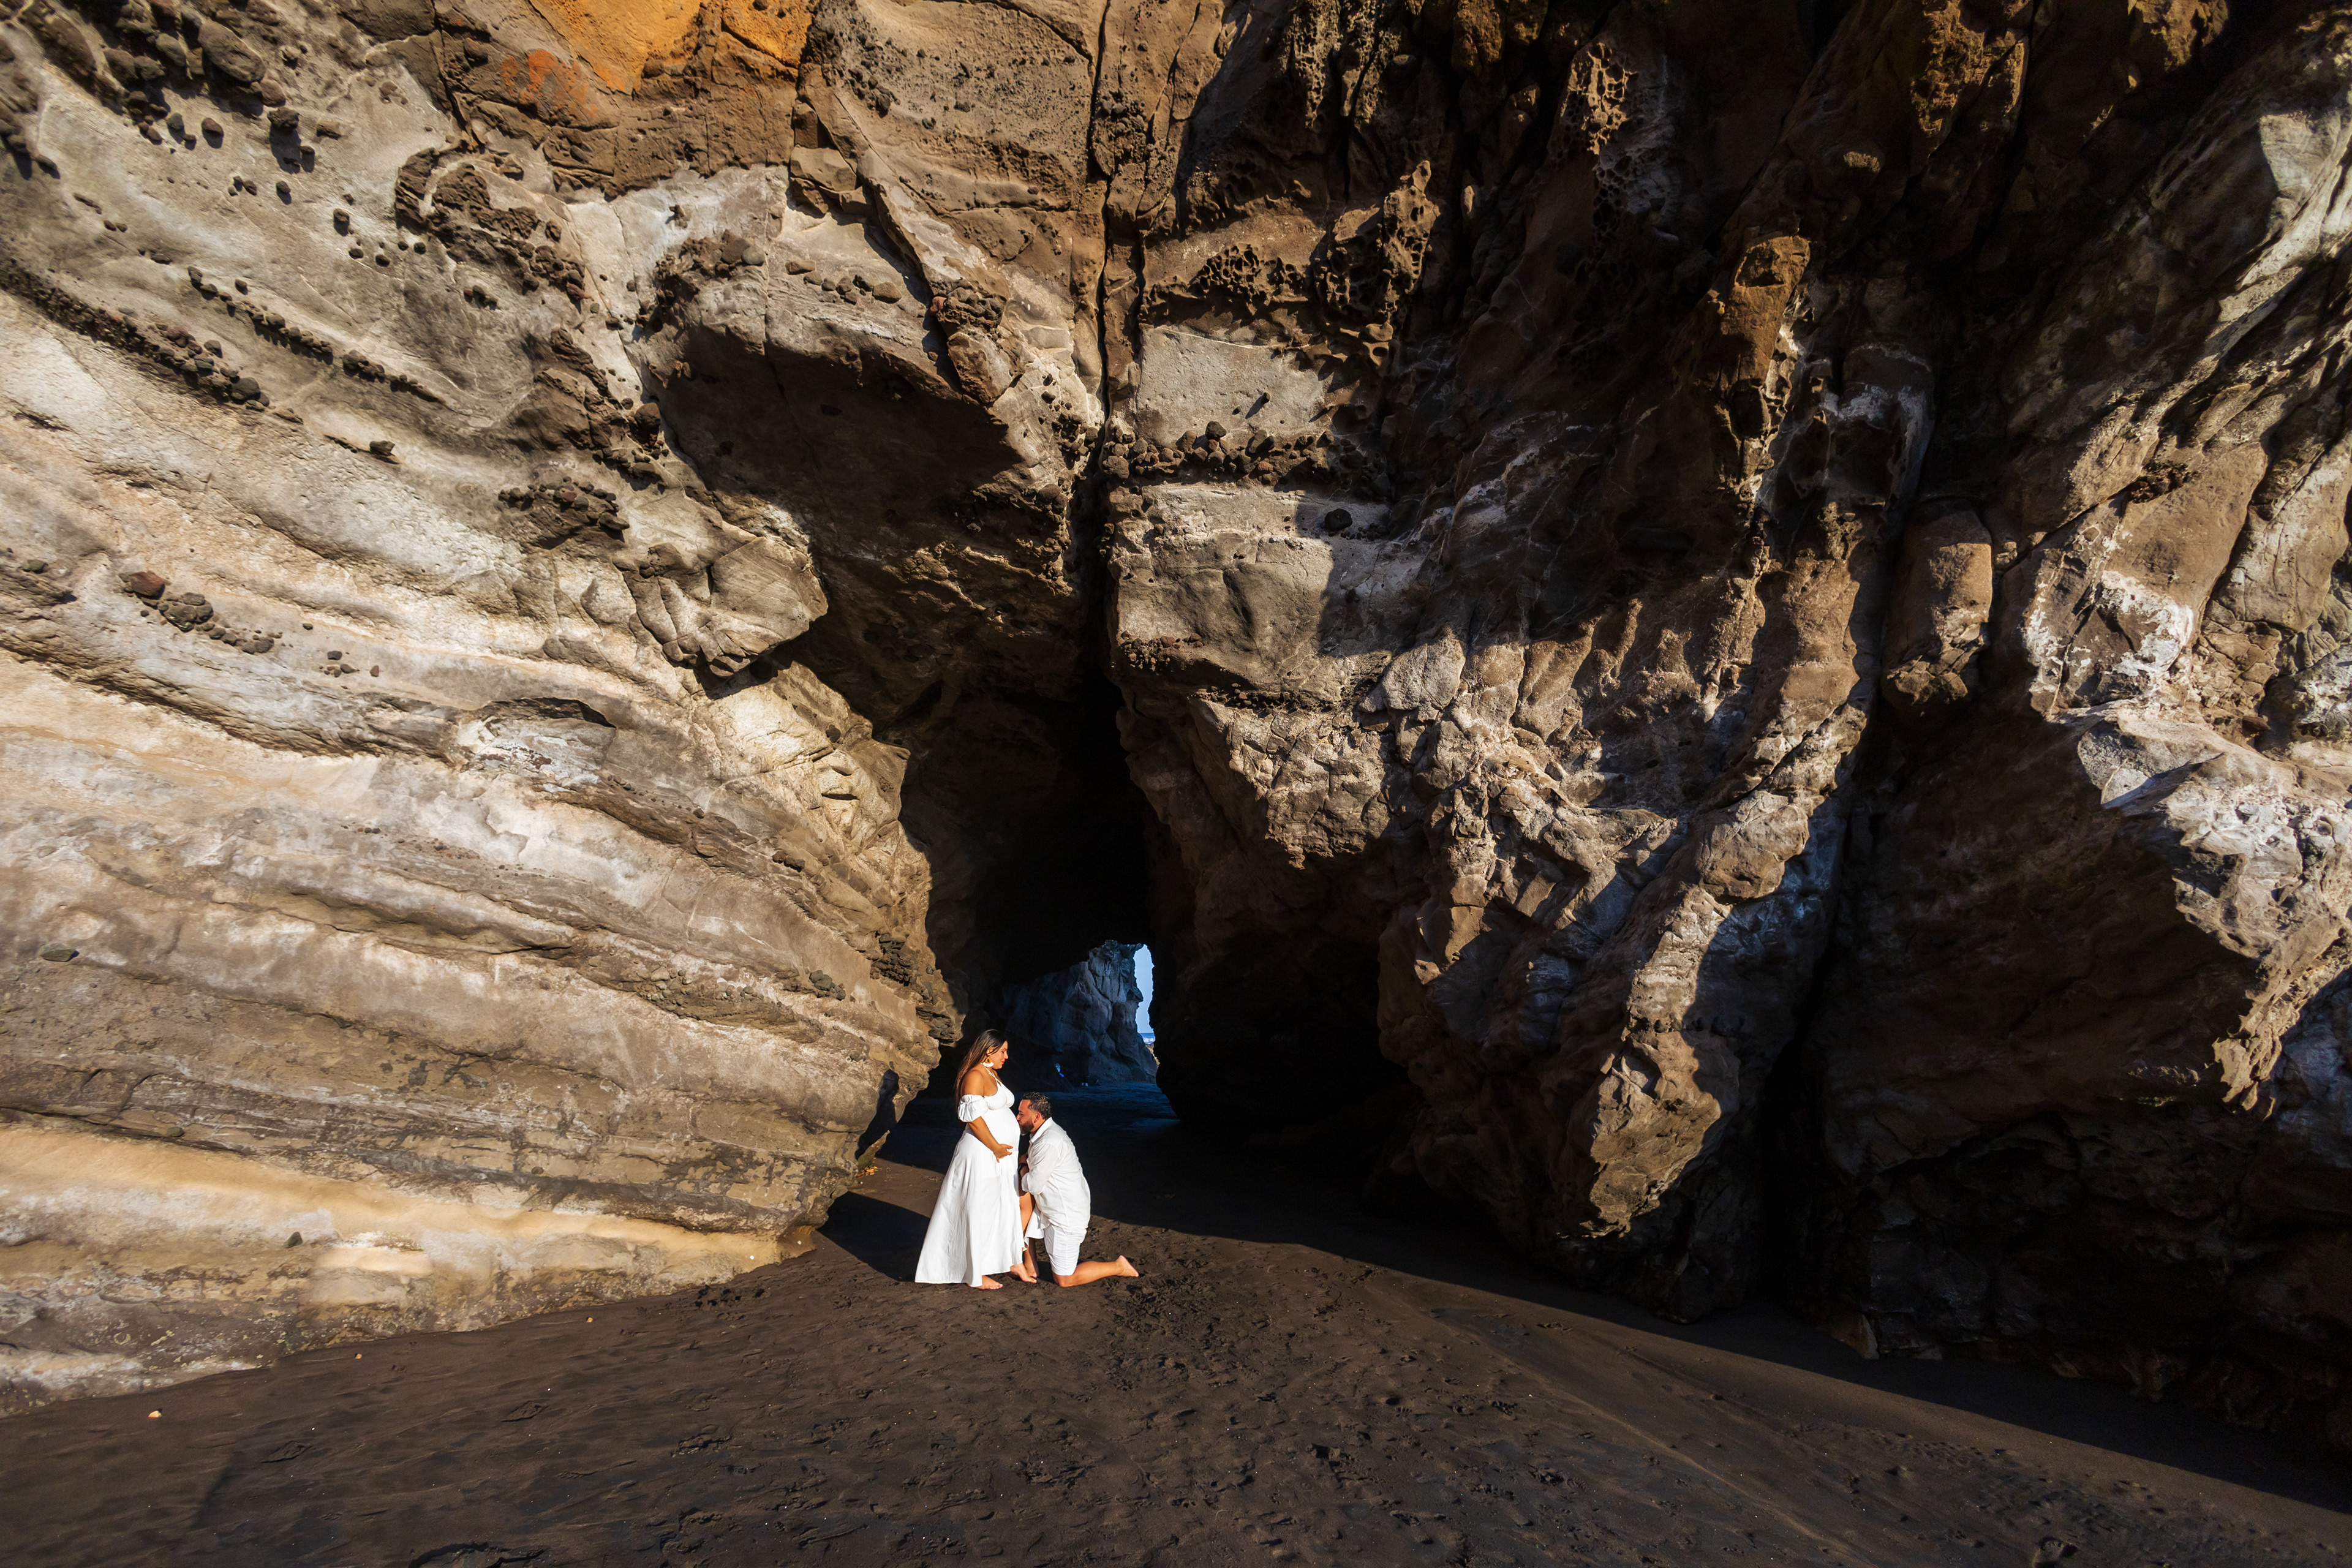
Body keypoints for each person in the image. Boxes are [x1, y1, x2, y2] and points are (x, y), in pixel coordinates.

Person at [913, 1031, 1031, 1288]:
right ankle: (975, 1275)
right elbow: (972, 1119)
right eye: (1003, 1051)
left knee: (1001, 1207)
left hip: (998, 1156)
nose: (1006, 1056)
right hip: (982, 1153)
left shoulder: (990, 1073)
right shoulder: (975, 1076)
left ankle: (1011, 1260)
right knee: (978, 1209)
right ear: (989, 1050)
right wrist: (996, 1148)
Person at [1014, 1093, 1139, 1286]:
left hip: (1066, 1216)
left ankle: (1118, 1266)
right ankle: (1030, 1265)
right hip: (1054, 1207)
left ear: (1037, 1117)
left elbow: (1033, 1185)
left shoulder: (1049, 1141)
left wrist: (1023, 1167)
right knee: (1026, 1205)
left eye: (1021, 1114)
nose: (1017, 1118)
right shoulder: (1044, 1134)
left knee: (1065, 1280)